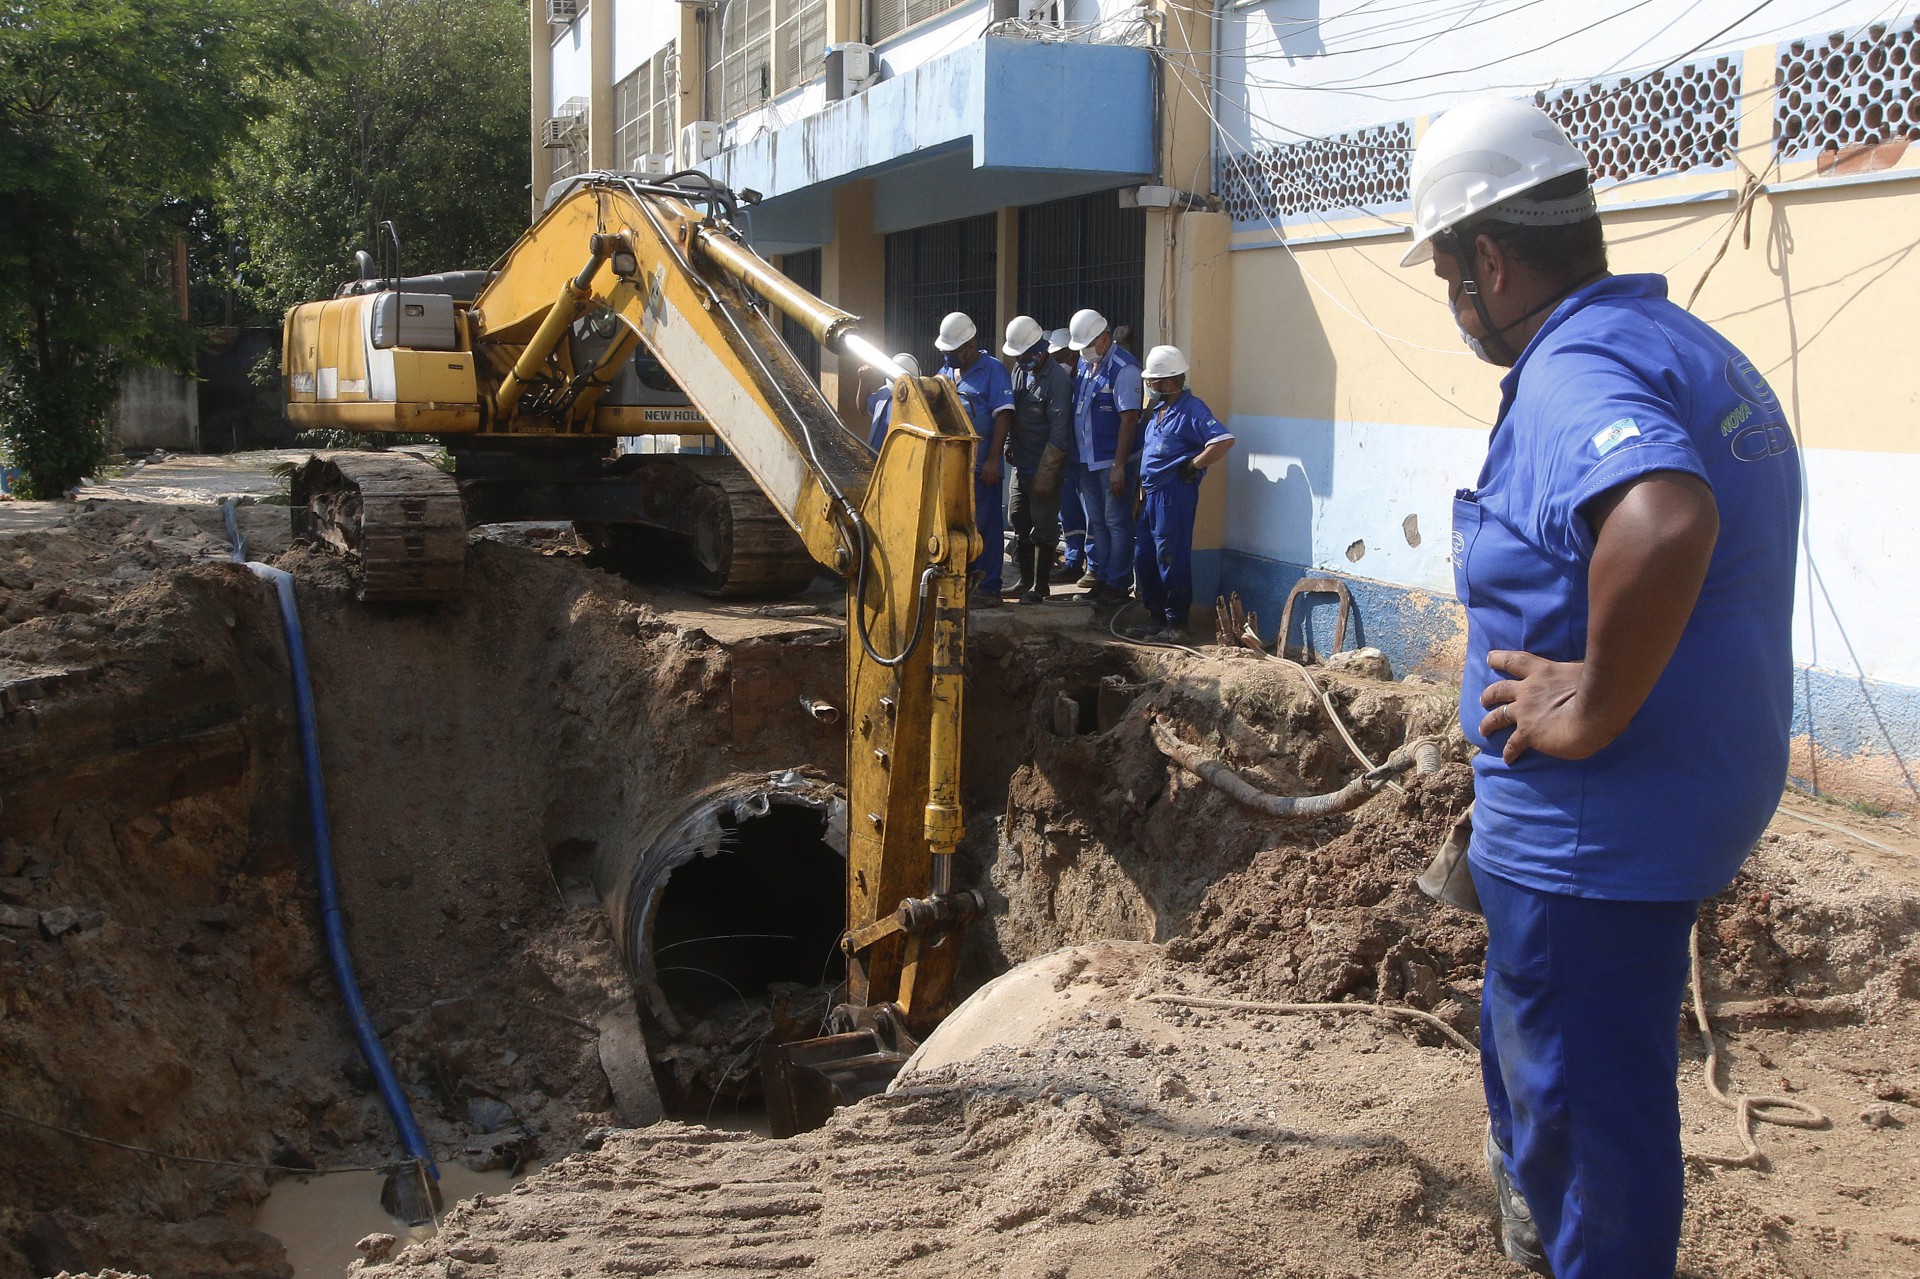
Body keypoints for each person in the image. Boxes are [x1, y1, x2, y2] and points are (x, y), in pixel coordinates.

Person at [1402, 97, 1801, 1278]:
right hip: (1653, 806)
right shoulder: (1672, 343)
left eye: (1448, 277)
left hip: (1595, 836)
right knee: (1555, 1073)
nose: (1456, 305)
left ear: (1487, 258)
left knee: (1588, 1121)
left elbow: (1663, 516)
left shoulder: (1575, 367)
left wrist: (1591, 703)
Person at [1126, 345, 1232, 640]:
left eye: (1152, 382)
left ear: (1169, 382)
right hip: (1150, 495)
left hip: (1173, 493)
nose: (1149, 387)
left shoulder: (1192, 409)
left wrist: (1193, 465)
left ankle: (1177, 624)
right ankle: (1156, 617)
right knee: (1145, 556)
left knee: (1170, 556)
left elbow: (1222, 440)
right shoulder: (1159, 410)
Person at [932, 311, 1014, 606]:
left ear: (970, 345)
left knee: (985, 526)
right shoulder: (944, 374)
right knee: (958, 526)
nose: (949, 356)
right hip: (953, 468)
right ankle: (962, 580)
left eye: (953, 351)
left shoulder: (993, 371)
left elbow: (1003, 415)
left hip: (982, 467)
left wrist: (993, 460)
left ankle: (989, 586)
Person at [1066, 308, 1143, 606]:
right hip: (1087, 459)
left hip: (1112, 461)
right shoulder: (1088, 365)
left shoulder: (1124, 369)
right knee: (1097, 521)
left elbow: (1129, 419)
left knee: (1116, 520)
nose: (1083, 351)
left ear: (1104, 339)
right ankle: (1104, 576)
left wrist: (1119, 466)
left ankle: (1118, 582)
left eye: (1087, 344)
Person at [1000, 316, 1075, 604]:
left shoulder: (1058, 382)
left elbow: (1059, 431)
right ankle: (1024, 580)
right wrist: (1008, 442)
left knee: (1043, 525)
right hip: (1021, 463)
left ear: (1039, 350)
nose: (1020, 360)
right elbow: (1012, 410)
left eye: (1024, 355)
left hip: (1045, 465)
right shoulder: (1020, 372)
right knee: (1018, 518)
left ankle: (1040, 586)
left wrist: (1047, 471)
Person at [1048, 326, 1092, 585]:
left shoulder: (1086, 381)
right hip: (1064, 457)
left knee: (1091, 515)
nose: (1058, 363)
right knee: (1070, 514)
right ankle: (1074, 561)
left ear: (1074, 354)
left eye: (1061, 357)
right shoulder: (1057, 383)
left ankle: (1094, 567)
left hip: (1087, 459)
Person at [855, 352, 921, 452]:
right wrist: (864, 381)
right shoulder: (884, 393)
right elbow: (863, 408)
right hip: (874, 459)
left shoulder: (919, 403)